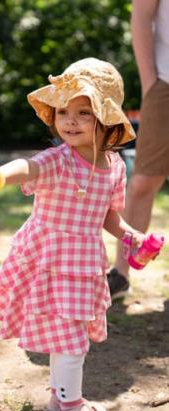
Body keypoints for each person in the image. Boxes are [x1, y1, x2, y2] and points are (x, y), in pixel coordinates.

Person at [0, 58, 150, 411]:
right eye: (64, 111)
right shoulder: (57, 160)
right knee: (70, 336)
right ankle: (70, 404)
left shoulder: (114, 166)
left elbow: (108, 215)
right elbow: (25, 167)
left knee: (70, 331)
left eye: (84, 112)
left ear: (107, 119)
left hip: (82, 262)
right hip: (48, 256)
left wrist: (130, 235)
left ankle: (59, 396)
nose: (70, 120)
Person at [107, 0, 169, 300]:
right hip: (165, 82)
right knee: (144, 180)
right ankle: (121, 273)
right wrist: (150, 83)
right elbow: (142, 16)